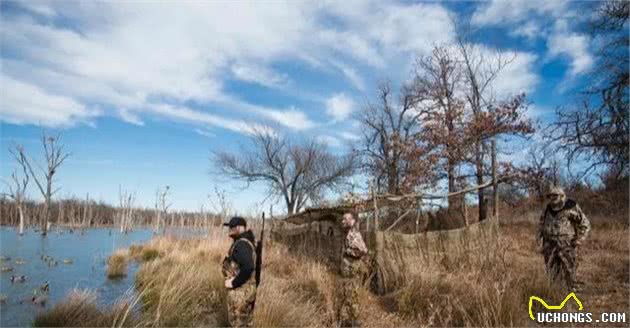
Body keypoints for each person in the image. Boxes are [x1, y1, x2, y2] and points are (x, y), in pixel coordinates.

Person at [537, 186, 590, 291]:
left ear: (561, 196)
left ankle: (572, 291)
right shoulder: (547, 208)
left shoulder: (571, 206)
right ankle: (554, 293)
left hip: (566, 244)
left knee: (569, 269)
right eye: (550, 196)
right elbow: (541, 224)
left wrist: (580, 239)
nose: (552, 198)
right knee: (551, 270)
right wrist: (538, 240)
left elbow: (585, 223)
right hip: (549, 244)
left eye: (555, 195)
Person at [222, 216, 257, 327]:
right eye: (230, 227)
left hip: (241, 293)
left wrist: (233, 283)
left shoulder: (242, 244)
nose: (230, 229)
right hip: (245, 292)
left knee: (239, 323)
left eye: (232, 227)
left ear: (239, 228)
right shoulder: (245, 242)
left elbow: (248, 267)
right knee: (245, 322)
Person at [336, 212, 368, 327]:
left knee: (352, 298)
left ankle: (355, 324)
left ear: (352, 221)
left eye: (345, 219)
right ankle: (348, 321)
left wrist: (349, 252)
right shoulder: (347, 233)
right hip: (347, 272)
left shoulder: (353, 234)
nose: (342, 221)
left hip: (351, 272)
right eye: (342, 219)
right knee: (346, 296)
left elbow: (364, 250)